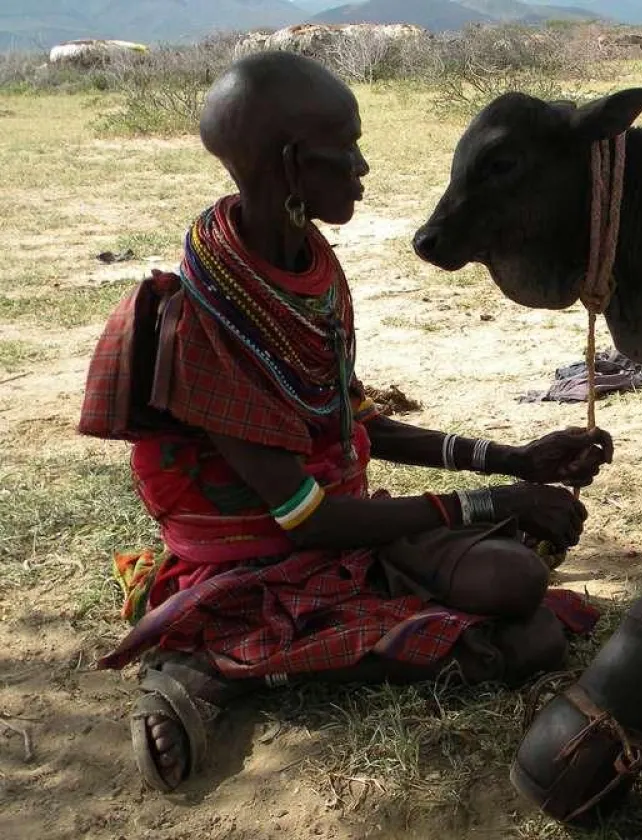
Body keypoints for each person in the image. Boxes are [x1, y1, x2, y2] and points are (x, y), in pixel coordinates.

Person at [77, 50, 614, 793]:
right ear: (295, 167)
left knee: (526, 595)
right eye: (348, 149)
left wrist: (517, 461)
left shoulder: (305, 266)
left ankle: (306, 636)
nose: (363, 167)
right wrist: (498, 503)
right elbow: (306, 518)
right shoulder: (200, 323)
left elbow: (355, 423)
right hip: (267, 550)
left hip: (341, 523)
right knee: (522, 619)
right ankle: (212, 666)